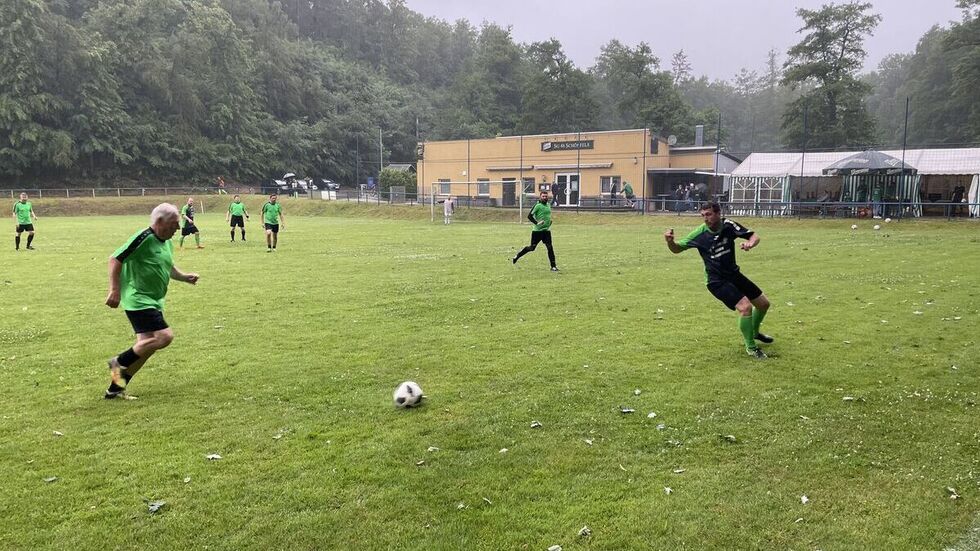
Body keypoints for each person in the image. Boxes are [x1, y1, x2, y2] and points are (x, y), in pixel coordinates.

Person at [104, 203, 200, 399]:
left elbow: (168, 266)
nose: (178, 228)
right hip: (138, 299)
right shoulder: (144, 238)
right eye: (174, 224)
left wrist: (184, 277)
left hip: (153, 301)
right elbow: (115, 259)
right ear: (159, 222)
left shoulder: (167, 242)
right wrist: (114, 290)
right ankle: (118, 361)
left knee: (147, 348)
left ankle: (115, 389)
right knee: (164, 337)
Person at [664, 202, 772, 359]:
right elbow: (677, 249)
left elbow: (754, 236)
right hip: (716, 281)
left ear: (718, 213)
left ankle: (754, 332)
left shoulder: (728, 225)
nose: (705, 219)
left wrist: (750, 244)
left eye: (708, 214)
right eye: (703, 215)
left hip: (734, 275)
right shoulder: (699, 234)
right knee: (745, 307)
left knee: (763, 304)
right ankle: (751, 347)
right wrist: (670, 242)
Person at [512, 190, 558, 272]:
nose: (545, 197)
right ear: (540, 197)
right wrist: (537, 223)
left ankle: (553, 267)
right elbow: (529, 216)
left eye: (546, 196)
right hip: (537, 231)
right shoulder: (537, 205)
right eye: (543, 196)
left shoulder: (548, 205)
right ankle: (517, 256)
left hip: (546, 231)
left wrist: (549, 222)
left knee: (550, 248)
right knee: (532, 248)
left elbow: (547, 215)